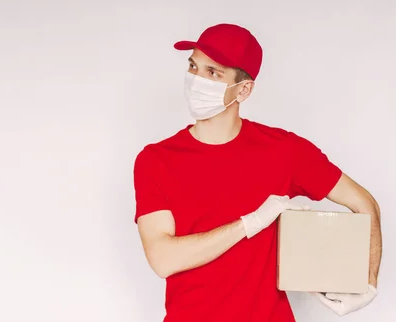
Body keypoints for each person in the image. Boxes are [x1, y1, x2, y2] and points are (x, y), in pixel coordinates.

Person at [132, 23, 382, 322]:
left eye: (213, 73)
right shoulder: (156, 160)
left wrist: (367, 281)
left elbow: (364, 203)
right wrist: (250, 223)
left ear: (244, 89)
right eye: (193, 66)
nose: (196, 80)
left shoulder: (285, 151)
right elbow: (163, 259)